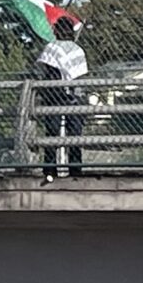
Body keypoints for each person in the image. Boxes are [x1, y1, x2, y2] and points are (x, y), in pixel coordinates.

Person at [36, 17, 87, 180]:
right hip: (75, 95)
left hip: (54, 95)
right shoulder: (77, 49)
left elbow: (44, 69)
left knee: (52, 132)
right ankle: (75, 169)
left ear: (57, 31)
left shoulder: (51, 47)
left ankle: (50, 169)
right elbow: (80, 74)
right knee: (75, 133)